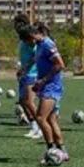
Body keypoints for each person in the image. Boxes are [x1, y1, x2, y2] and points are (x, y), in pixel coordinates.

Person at [31, 22, 67, 159]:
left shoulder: (47, 44)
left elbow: (60, 64)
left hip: (52, 87)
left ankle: (51, 151)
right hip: (46, 86)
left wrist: (43, 80)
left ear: (40, 32)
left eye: (33, 35)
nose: (32, 39)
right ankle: (63, 152)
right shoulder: (40, 45)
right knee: (51, 119)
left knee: (40, 117)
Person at [14, 16, 41, 138]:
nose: (15, 26)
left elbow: (35, 57)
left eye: (18, 24)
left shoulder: (30, 38)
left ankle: (41, 127)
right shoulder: (22, 38)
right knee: (23, 102)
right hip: (24, 73)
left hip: (32, 73)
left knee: (29, 102)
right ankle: (34, 127)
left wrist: (25, 68)